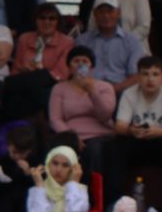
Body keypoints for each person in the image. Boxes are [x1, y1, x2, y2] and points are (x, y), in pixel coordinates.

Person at [46, 45, 119, 184]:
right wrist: (72, 137)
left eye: (85, 61)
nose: (80, 64)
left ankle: (95, 194)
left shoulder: (105, 87)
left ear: (92, 67)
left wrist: (91, 90)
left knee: (94, 150)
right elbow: (55, 119)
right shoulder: (59, 88)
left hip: (100, 135)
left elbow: (105, 115)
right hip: (70, 135)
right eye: (76, 61)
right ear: (69, 66)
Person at [116, 55, 162, 197]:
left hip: (160, 144)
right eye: (145, 74)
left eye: (155, 74)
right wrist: (131, 130)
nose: (150, 79)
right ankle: (113, 200)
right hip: (137, 141)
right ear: (138, 77)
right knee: (115, 146)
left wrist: (158, 132)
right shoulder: (129, 94)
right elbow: (119, 126)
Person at [2, 2, 73, 124]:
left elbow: (61, 73)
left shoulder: (67, 41)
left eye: (52, 18)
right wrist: (25, 69)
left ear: (57, 22)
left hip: (50, 83)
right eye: (42, 18)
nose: (47, 22)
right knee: (7, 88)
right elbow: (16, 67)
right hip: (24, 80)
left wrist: (38, 71)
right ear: (36, 20)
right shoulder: (25, 38)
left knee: (38, 92)